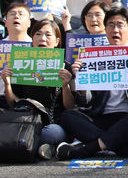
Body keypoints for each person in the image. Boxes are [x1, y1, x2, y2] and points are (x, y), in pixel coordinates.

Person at [57, 6, 128, 159]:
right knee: (68, 116)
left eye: (120, 25)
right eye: (110, 25)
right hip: (101, 117)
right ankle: (124, 147)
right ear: (105, 29)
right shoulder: (94, 55)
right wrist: (81, 83)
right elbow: (85, 103)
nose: (115, 30)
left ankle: (88, 149)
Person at [1, 19, 74, 159]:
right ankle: (38, 147)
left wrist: (65, 85)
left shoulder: (64, 67)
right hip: (26, 121)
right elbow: (12, 103)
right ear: (32, 39)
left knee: (54, 132)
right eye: (38, 34)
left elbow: (70, 106)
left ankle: (22, 145)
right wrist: (7, 84)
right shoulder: (21, 64)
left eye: (48, 35)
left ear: (57, 41)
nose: (43, 39)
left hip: (51, 124)